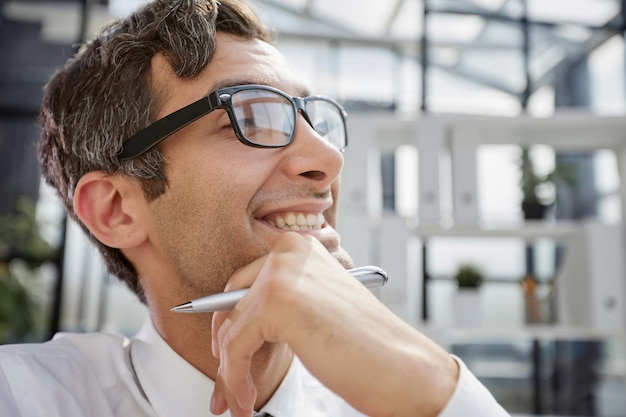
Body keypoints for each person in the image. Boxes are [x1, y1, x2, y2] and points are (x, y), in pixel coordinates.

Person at [0, 1, 510, 416]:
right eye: (252, 117)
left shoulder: (408, 399)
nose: (329, 160)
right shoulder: (25, 397)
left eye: (313, 119)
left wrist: (428, 384)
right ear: (116, 210)